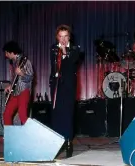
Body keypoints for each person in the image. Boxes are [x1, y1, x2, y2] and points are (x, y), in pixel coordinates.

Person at [49, 24, 80, 158]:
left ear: (69, 37)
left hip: (68, 85)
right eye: (60, 36)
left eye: (65, 36)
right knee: (56, 113)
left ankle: (68, 142)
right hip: (56, 85)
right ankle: (57, 142)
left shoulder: (75, 49)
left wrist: (65, 52)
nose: (63, 39)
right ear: (57, 37)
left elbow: (72, 62)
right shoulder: (53, 49)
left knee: (67, 113)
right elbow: (54, 67)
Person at [2, 41, 34, 125]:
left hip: (24, 92)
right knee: (6, 114)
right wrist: (10, 86)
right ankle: (10, 136)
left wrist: (21, 73)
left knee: (22, 115)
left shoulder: (25, 61)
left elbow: (30, 78)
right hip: (15, 93)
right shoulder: (14, 62)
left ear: (11, 52)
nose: (6, 55)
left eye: (6, 52)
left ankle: (30, 135)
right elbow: (16, 79)